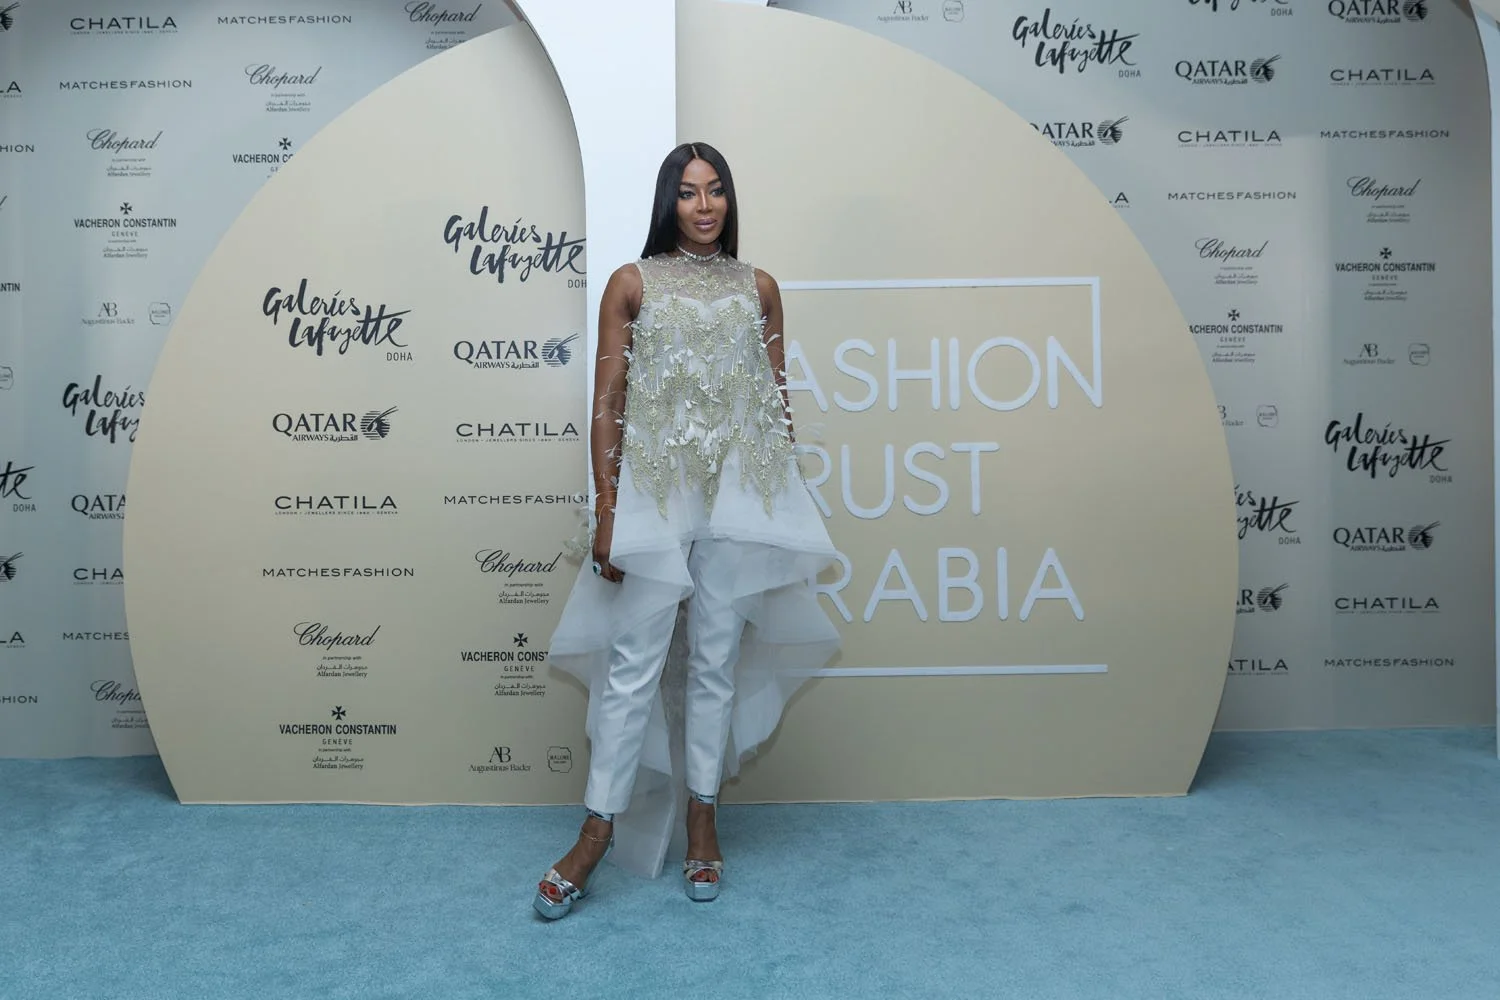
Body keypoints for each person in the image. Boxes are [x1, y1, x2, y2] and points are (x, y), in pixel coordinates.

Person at [534, 142, 841, 918]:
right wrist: (608, 512)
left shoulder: (760, 288)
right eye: (689, 193)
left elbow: (776, 403)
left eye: (716, 193)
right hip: (654, 495)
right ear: (668, 201)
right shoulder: (632, 284)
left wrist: (782, 508)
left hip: (740, 496)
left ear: (729, 202)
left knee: (714, 661)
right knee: (633, 663)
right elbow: (606, 404)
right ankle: (597, 830)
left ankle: (703, 818)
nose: (704, 206)